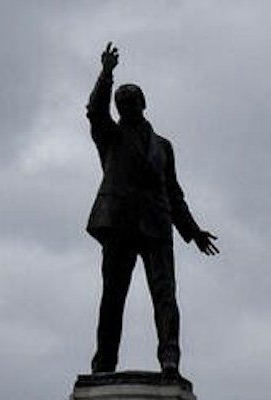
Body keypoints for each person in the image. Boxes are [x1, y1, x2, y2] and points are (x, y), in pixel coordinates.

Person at [85, 42, 219, 379]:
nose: (126, 104)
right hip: (118, 223)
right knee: (113, 296)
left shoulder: (163, 146)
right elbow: (95, 111)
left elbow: (173, 193)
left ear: (143, 104)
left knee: (165, 296)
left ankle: (170, 358)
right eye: (121, 101)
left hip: (156, 226)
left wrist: (193, 231)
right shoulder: (109, 136)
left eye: (131, 100)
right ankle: (104, 362)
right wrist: (106, 74)